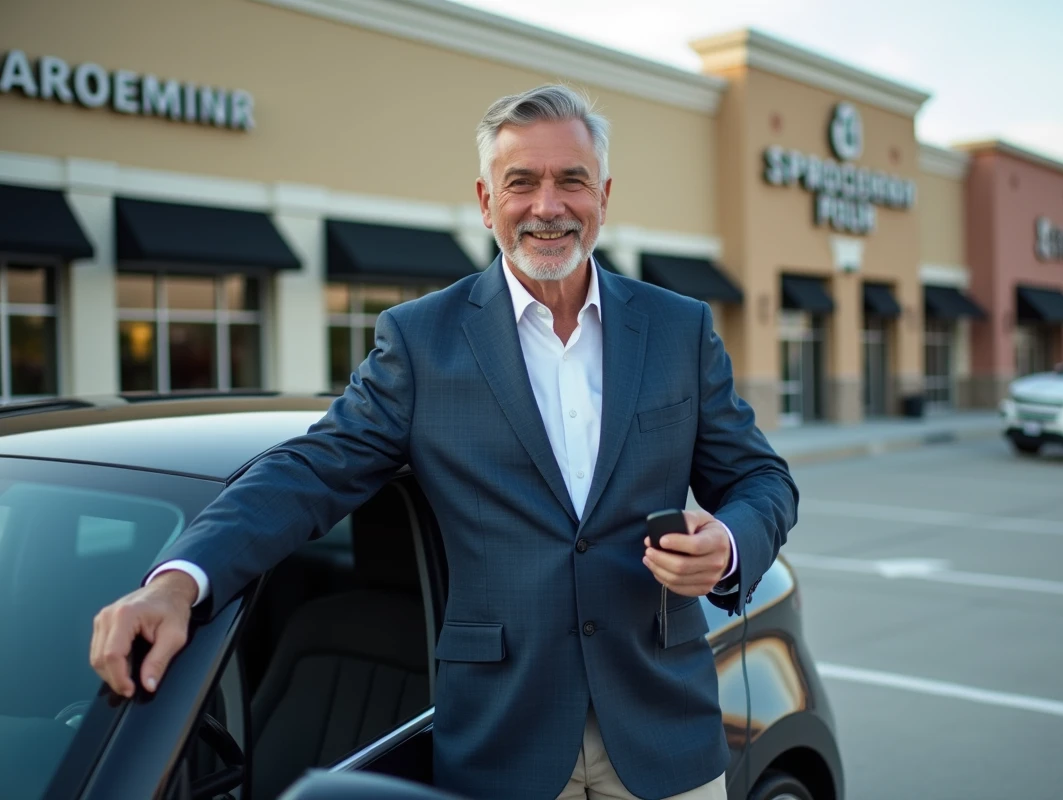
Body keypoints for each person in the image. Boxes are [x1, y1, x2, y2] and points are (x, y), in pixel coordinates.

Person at [90, 84, 798, 800]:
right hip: (503, 746)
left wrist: (729, 544)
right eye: (521, 182)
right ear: (487, 202)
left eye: (571, 180)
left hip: (664, 734)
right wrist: (178, 582)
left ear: (603, 196)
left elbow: (762, 481)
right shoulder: (421, 340)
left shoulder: (679, 328)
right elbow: (309, 472)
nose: (547, 205)